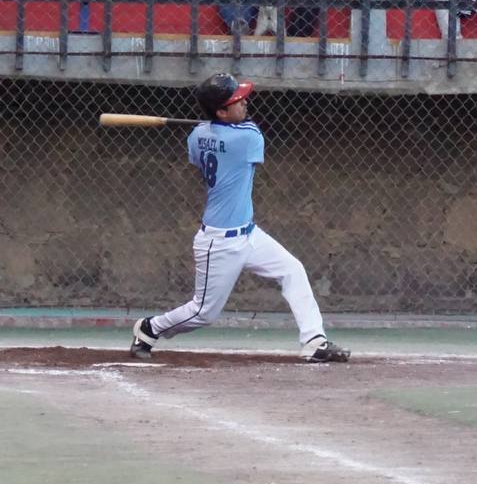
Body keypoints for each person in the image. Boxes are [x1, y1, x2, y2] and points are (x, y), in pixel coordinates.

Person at [129, 73, 351, 364]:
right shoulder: (248, 137)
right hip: (219, 242)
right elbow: (240, 135)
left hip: (249, 233)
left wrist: (214, 128)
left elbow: (204, 150)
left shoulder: (196, 135)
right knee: (203, 313)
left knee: (292, 270)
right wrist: (219, 131)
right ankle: (149, 328)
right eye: (236, 101)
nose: (245, 103)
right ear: (221, 111)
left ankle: (313, 341)